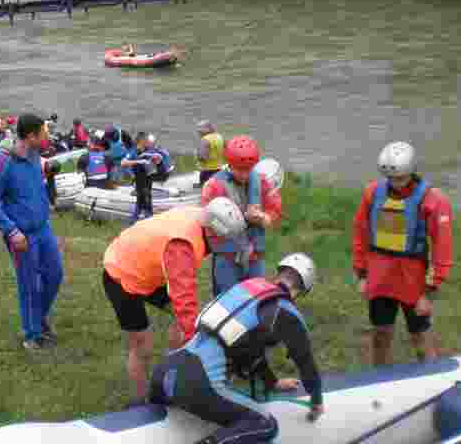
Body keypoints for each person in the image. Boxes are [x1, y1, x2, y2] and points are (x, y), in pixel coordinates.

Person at [148, 254, 325, 444]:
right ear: (303, 290)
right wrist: (316, 400)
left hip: (164, 371)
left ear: (279, 273)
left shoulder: (247, 288)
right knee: (264, 424)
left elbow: (246, 351)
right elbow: (306, 364)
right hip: (198, 384)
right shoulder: (287, 313)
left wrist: (272, 382)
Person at [102, 197, 247, 404]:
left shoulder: (204, 220)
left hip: (154, 267)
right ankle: (139, 401)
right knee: (143, 345)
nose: (229, 245)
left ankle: (172, 377)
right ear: (213, 232)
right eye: (227, 239)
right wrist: (197, 353)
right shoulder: (182, 246)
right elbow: (184, 300)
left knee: (183, 327)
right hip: (122, 273)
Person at [352, 141, 454, 367]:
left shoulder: (433, 200)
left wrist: (429, 291)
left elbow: (442, 247)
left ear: (412, 171)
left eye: (400, 178)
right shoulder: (372, 193)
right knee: (380, 333)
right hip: (380, 277)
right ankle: (379, 380)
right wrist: (361, 274)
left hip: (413, 279)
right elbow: (360, 232)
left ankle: (432, 375)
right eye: (391, 179)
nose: (395, 184)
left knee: (419, 336)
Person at [0, 113, 64, 352]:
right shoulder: (3, 162)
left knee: (54, 275)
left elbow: (34, 181)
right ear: (31, 136)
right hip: (22, 235)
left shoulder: (34, 153)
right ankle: (32, 336)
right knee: (29, 284)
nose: (47, 136)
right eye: (43, 133)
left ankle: (37, 318)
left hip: (43, 229)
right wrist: (11, 231)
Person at [201, 135, 283, 296]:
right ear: (230, 164)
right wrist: (237, 220)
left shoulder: (262, 181)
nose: (245, 175)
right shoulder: (214, 186)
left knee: (256, 296)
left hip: (255, 256)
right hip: (227, 256)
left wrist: (264, 218)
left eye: (248, 170)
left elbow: (275, 210)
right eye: (240, 170)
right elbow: (206, 220)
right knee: (228, 298)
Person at [197, 120, 225, 186]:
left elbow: (203, 157)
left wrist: (198, 156)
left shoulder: (205, 139)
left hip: (207, 170)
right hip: (219, 168)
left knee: (206, 188)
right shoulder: (219, 137)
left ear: (207, 129)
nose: (198, 131)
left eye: (200, 128)